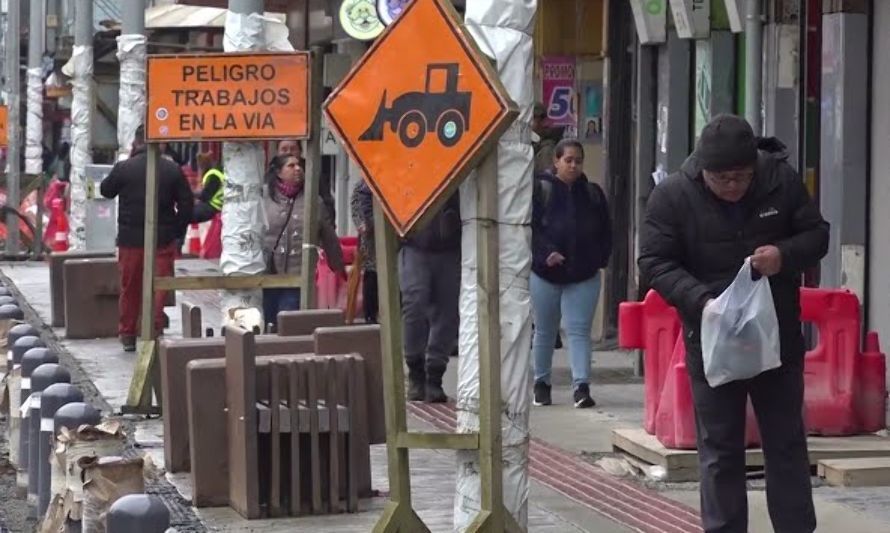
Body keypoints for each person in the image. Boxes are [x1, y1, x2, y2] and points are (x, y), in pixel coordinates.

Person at [638, 114, 828, 533]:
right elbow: (653, 262)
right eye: (721, 179)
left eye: (741, 177)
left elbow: (817, 235)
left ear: (754, 166)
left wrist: (783, 255)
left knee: (786, 444)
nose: (732, 187)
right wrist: (700, 300)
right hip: (711, 338)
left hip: (775, 338)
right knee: (721, 450)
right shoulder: (673, 196)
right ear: (703, 171)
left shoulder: (779, 179)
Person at [531, 139, 611, 409]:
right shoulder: (540, 189)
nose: (574, 165)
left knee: (578, 331)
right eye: (568, 160)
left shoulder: (592, 193)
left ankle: (581, 386)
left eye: (578, 160)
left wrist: (600, 258)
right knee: (544, 331)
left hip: (583, 274)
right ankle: (541, 383)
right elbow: (529, 229)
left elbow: (605, 229)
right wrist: (545, 254)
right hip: (545, 274)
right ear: (556, 161)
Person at [100, 125, 194, 352]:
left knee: (130, 286)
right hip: (162, 238)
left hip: (130, 239)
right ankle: (153, 329)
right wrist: (176, 231)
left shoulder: (124, 168)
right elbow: (186, 204)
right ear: (160, 143)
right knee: (159, 286)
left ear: (136, 142)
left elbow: (106, 190)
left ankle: (128, 334)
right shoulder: (172, 170)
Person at [263, 154, 345, 326]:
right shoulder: (265, 198)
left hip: (298, 276)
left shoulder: (314, 201)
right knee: (268, 321)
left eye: (299, 165)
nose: (297, 169)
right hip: (267, 275)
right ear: (279, 172)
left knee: (288, 321)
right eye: (291, 166)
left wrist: (338, 267)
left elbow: (329, 236)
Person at [401, 193, 461, 403]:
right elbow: (366, 189)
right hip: (415, 242)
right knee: (414, 305)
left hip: (450, 245)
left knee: (447, 313)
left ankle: (435, 375)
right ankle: (415, 370)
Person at [276, 139, 336, 224]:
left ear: (300, 151)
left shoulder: (313, 174)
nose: (288, 152)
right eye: (284, 149)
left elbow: (327, 204)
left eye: (293, 149)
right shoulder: (269, 177)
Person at [350, 178, 378, 323]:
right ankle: (370, 316)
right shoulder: (365, 183)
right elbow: (358, 202)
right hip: (372, 237)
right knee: (372, 274)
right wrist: (362, 223)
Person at [193, 152, 225, 224]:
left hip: (214, 206)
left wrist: (191, 193)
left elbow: (205, 196)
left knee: (190, 214)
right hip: (214, 205)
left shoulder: (213, 175)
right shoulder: (214, 172)